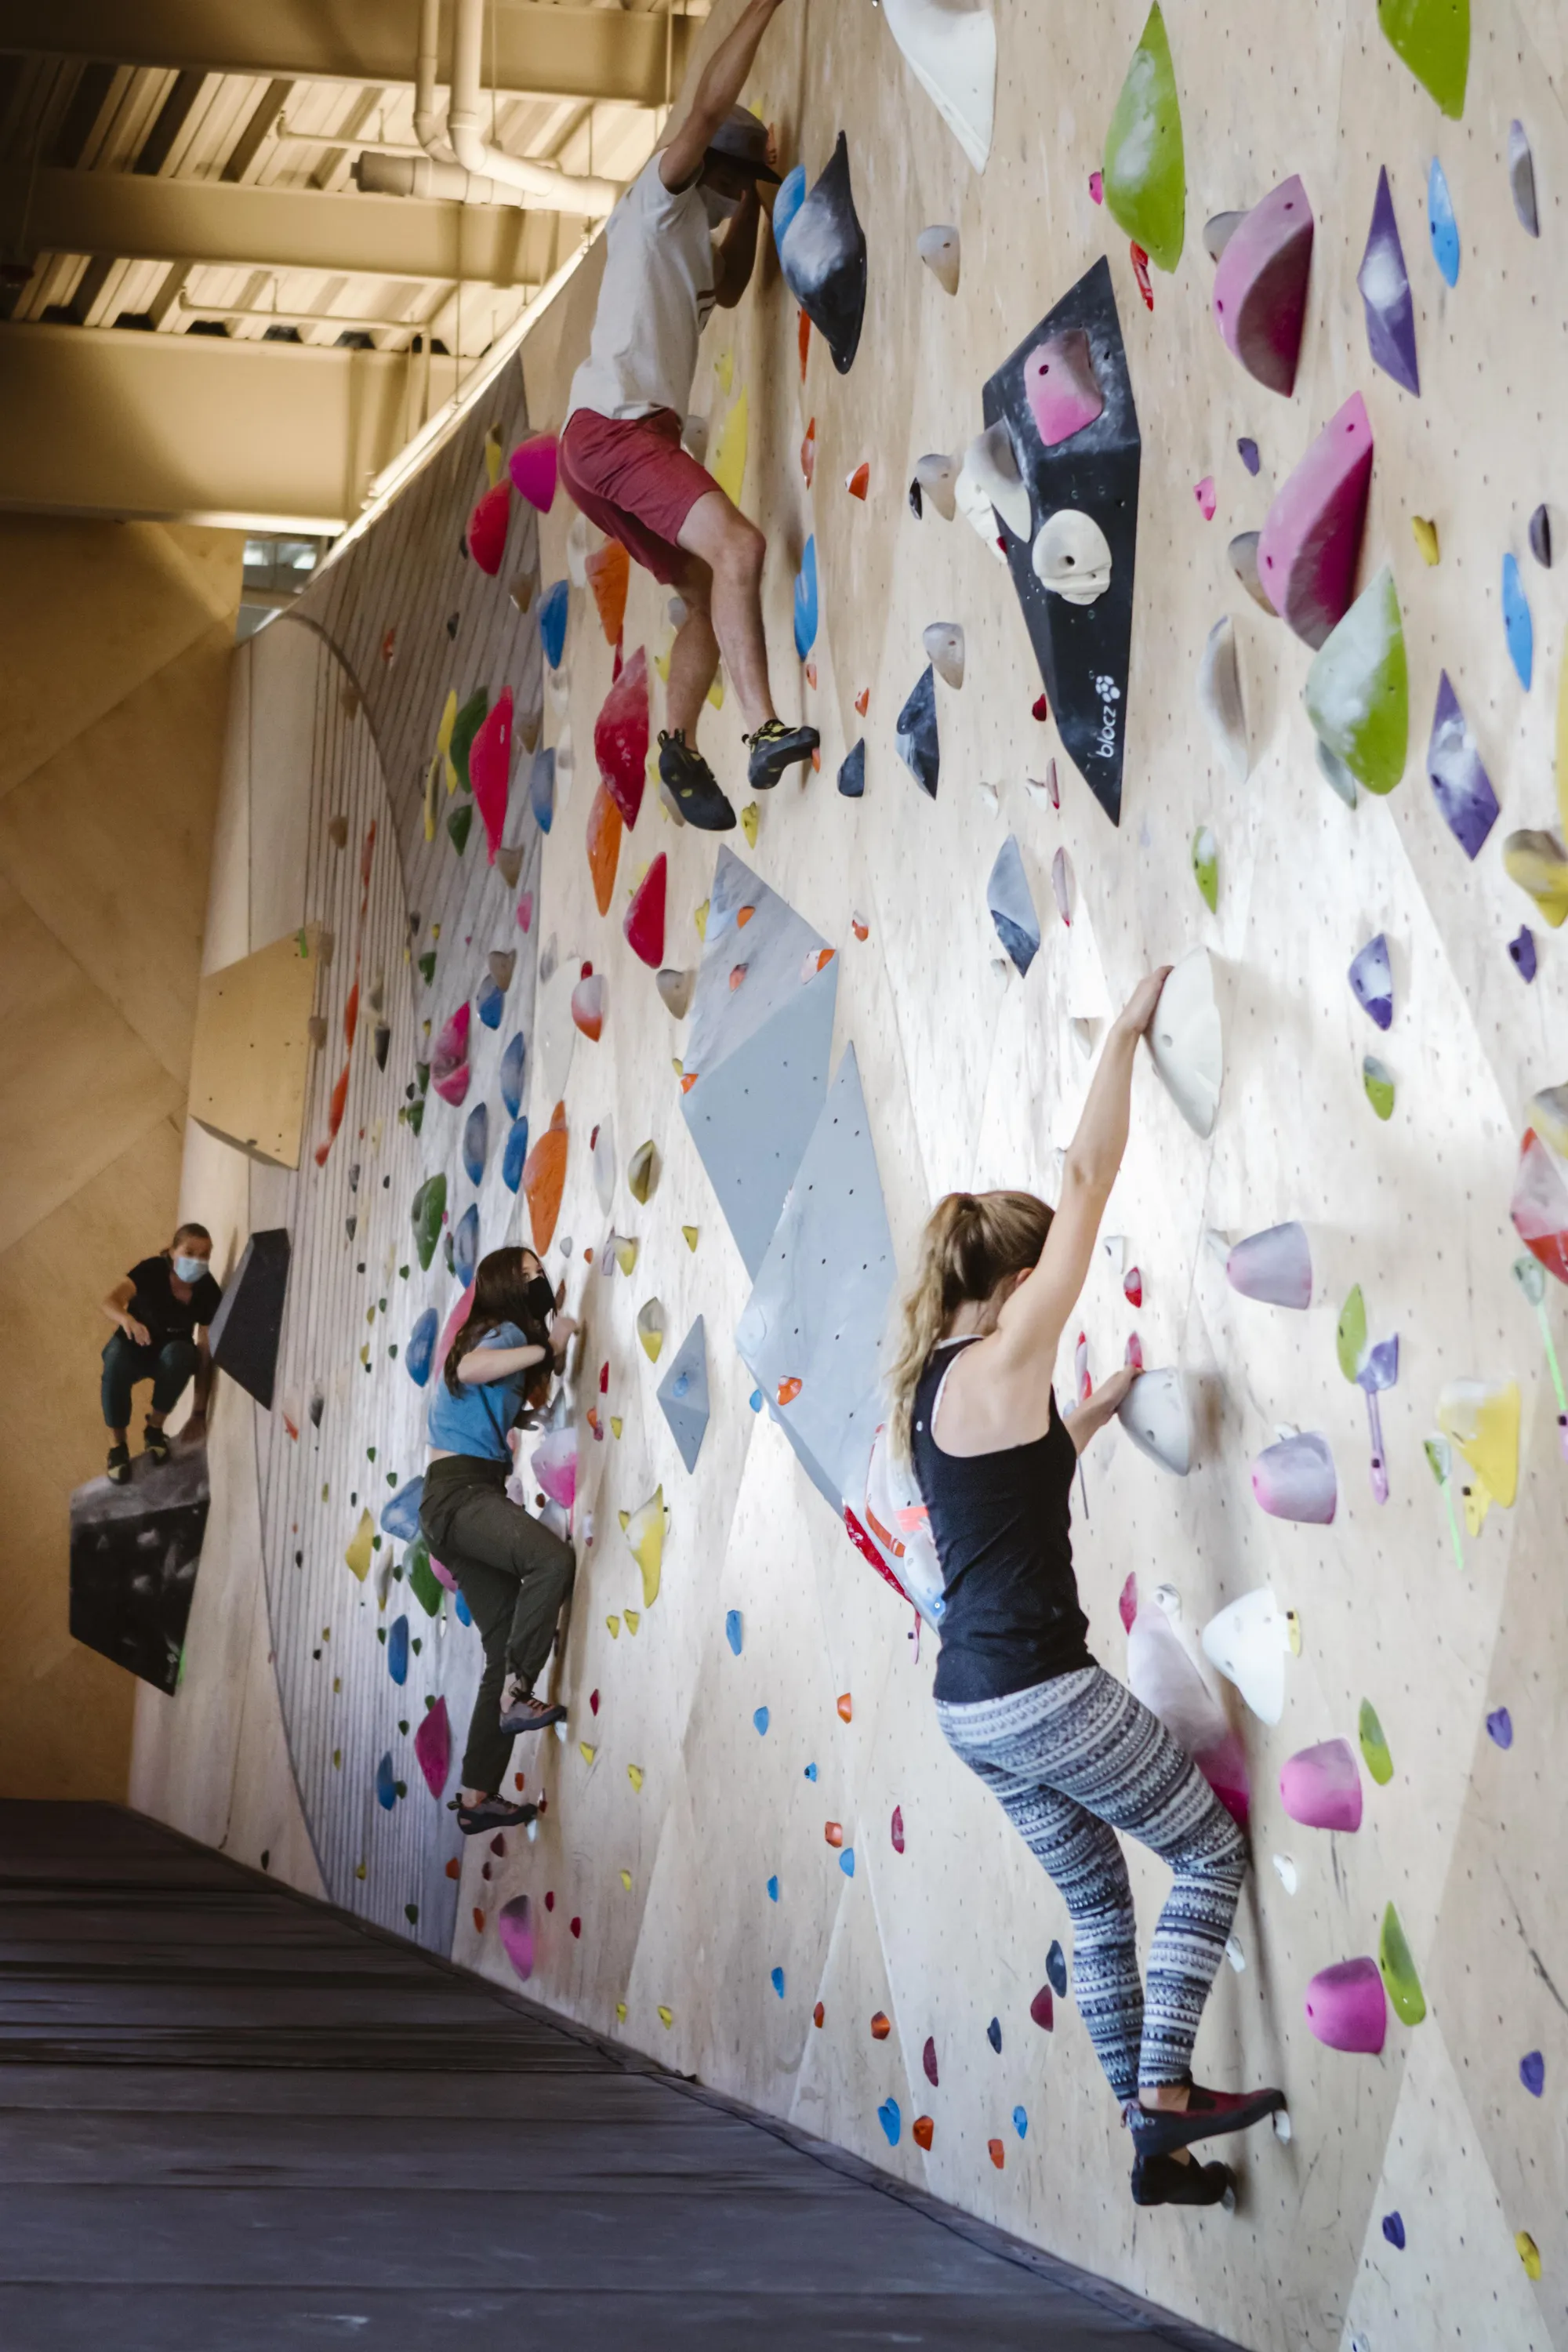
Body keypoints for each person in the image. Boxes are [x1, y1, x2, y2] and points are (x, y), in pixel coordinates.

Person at [886, 971, 1284, 2210]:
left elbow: (1005, 1491)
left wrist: (1099, 1412)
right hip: (1039, 1689)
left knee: (1100, 1903)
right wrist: (1119, 1036)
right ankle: (1163, 2094)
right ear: (1017, 1287)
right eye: (1045, 1283)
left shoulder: (935, 1386)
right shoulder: (1010, 1349)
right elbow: (1089, 1177)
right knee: (1206, 1852)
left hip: (970, 1708)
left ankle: (1153, 2153)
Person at [558, 0, 818, 832]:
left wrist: (757, 203)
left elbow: (732, 286)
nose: (735, 196)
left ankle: (677, 747)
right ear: (709, 170)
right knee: (741, 547)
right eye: (733, 183)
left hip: (609, 443)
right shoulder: (659, 201)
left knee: (707, 590)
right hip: (617, 428)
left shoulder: (688, 248)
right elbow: (705, 107)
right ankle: (763, 727)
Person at [420, 1246, 579, 1836]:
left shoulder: (506, 1338)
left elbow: (500, 1396)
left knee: (503, 1637)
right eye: (528, 1275)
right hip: (460, 1495)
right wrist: (548, 1345)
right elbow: (468, 1371)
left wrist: (549, 1357)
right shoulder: (503, 1333)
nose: (539, 1281)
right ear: (506, 1288)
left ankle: (476, 1796)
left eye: (540, 1272)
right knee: (550, 1561)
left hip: (454, 1502)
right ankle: (518, 1693)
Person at [100, 1224, 222, 1484]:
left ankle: (154, 1430)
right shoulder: (151, 1270)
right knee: (114, 1360)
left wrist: (198, 1412)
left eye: (204, 1255)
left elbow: (205, 1350)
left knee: (183, 1354)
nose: (197, 1261)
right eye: (189, 1252)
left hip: (170, 1356)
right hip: (133, 1347)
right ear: (172, 1251)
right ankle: (117, 1446)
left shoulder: (208, 1291)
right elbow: (109, 1301)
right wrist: (127, 1320)